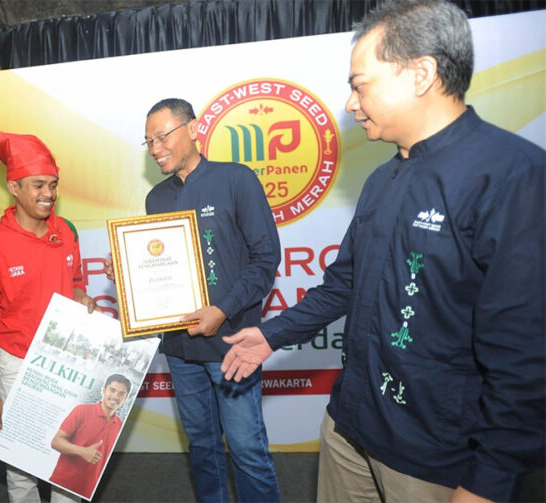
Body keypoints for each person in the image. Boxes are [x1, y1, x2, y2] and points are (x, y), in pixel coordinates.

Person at [221, 1, 545, 502]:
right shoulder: (381, 179)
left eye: (360, 85)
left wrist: (490, 479)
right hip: (349, 427)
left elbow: (525, 355)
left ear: (421, 74)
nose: (351, 104)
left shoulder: (512, 177)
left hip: (434, 458)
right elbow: (343, 285)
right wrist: (271, 334)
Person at [143, 98, 282, 502]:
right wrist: (132, 275)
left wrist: (222, 310)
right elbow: (159, 266)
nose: (155, 149)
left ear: (192, 129)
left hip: (232, 345)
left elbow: (265, 261)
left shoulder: (236, 179)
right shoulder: (156, 198)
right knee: (203, 448)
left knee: (246, 449)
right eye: (149, 142)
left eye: (162, 137)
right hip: (180, 348)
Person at [0, 131, 96, 503]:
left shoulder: (67, 231)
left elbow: (76, 280)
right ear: (14, 187)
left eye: (53, 184)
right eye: (38, 185)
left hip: (67, 362)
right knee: (23, 465)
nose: (48, 193)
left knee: (69, 460)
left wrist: (81, 295)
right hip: (16, 364)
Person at [49, 374, 131, 499]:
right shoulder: (82, 410)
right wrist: (82, 451)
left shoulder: (120, 426)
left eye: (121, 394)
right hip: (66, 485)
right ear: (104, 390)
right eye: (112, 390)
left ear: (125, 398)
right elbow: (56, 441)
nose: (115, 396)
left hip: (91, 491)